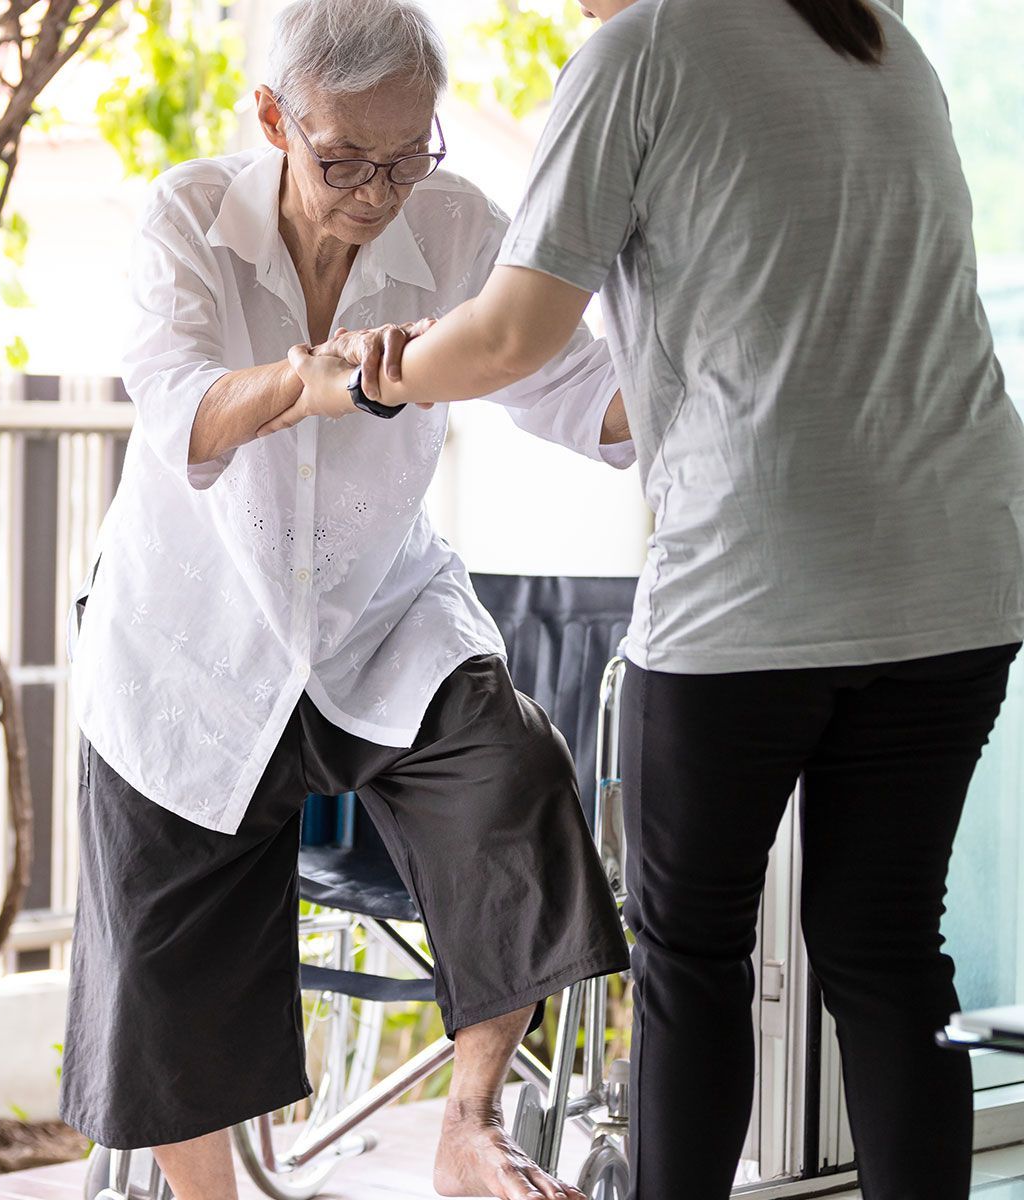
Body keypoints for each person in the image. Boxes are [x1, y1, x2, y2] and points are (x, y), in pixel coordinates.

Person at [292, 1, 1024, 1197]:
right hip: (958, 567)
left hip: (759, 574)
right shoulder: (881, 37)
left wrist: (377, 375)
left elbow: (521, 331)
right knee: (890, 957)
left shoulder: (640, 54)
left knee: (691, 960)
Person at [60, 2, 638, 1197]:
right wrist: (298, 385)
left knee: (511, 780)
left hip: (384, 617)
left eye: (407, 155)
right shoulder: (188, 217)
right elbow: (177, 415)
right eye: (344, 162)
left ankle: (470, 1126)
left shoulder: (459, 223)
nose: (378, 193)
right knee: (169, 969)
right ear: (276, 118)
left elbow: (575, 387)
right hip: (192, 642)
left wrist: (733, 388)